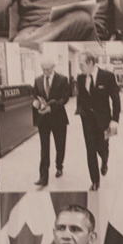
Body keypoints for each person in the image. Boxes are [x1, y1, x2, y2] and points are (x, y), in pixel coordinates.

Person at [75, 46, 122, 190]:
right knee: (90, 149)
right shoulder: (80, 77)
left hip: (105, 120)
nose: (79, 67)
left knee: (103, 147)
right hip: (87, 120)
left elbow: (115, 99)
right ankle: (95, 181)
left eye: (81, 64)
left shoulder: (107, 76)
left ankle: (105, 161)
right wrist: (80, 111)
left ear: (90, 63)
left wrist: (115, 120)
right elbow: (81, 97)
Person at [27, 52, 73, 186]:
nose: (45, 71)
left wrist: (51, 108)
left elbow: (65, 98)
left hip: (58, 118)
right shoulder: (38, 80)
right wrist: (35, 103)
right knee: (44, 148)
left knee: (60, 146)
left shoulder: (63, 79)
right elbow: (34, 96)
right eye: (43, 69)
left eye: (47, 69)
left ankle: (59, 166)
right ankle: (43, 177)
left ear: (53, 66)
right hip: (43, 120)